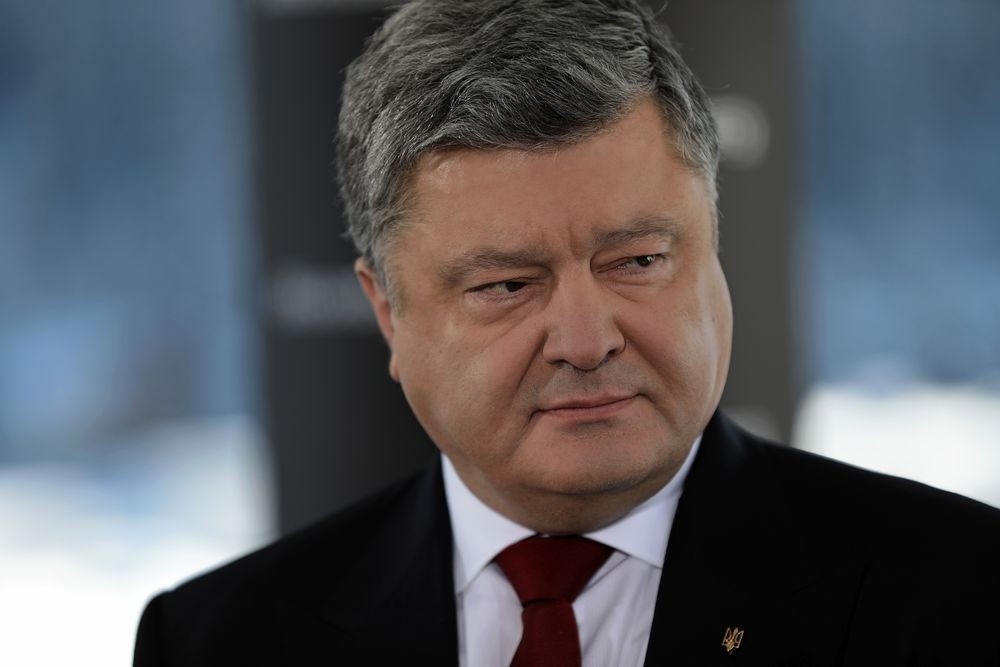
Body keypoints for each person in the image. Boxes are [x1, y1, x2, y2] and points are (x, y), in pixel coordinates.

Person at [133, 1, 1000, 665]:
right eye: (508, 285)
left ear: (714, 252)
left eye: (638, 261)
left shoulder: (963, 594)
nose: (586, 341)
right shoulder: (219, 642)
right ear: (388, 312)